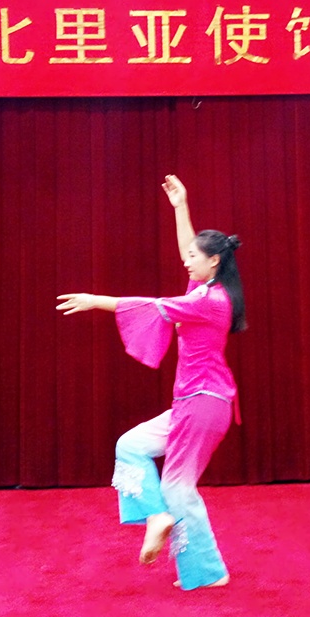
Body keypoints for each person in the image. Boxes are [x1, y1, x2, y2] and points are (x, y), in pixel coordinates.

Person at [56, 175, 245, 591]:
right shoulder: (206, 289)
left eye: (195, 257)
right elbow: (189, 250)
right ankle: (159, 516)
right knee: (131, 446)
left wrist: (94, 301)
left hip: (205, 401)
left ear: (214, 261)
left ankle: (208, 571)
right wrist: (181, 206)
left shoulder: (210, 301)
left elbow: (152, 306)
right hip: (193, 401)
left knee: (178, 487)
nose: (187, 261)